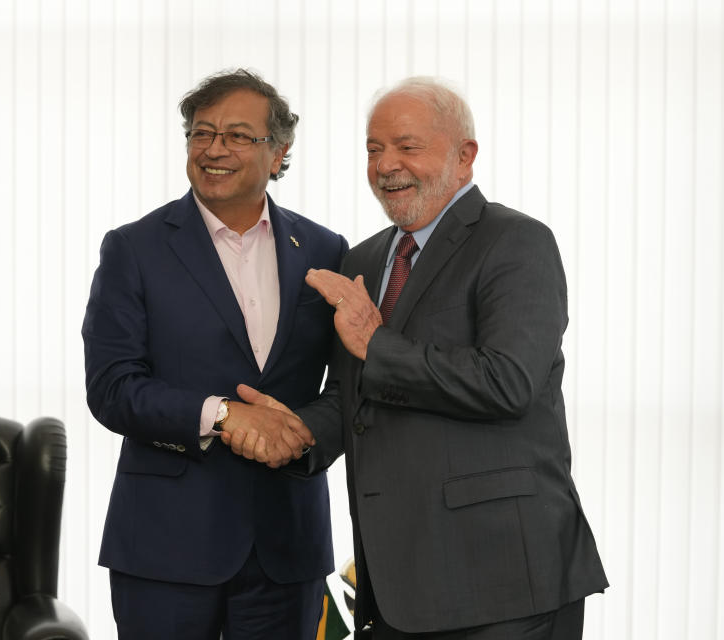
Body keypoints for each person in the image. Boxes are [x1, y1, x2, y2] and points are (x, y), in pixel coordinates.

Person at [229, 77, 608, 639]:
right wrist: (299, 432)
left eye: (407, 147)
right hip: (396, 584)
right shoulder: (362, 258)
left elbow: (509, 382)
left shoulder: (517, 242)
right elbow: (356, 391)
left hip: (503, 579)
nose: (386, 164)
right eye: (373, 149)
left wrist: (377, 343)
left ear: (465, 156)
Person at [81, 68, 347, 639]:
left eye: (236, 135)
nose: (214, 149)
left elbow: (346, 390)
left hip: (287, 548)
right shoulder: (134, 248)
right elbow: (111, 386)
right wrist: (224, 415)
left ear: (279, 152)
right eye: (201, 134)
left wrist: (300, 434)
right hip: (165, 551)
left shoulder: (326, 250)